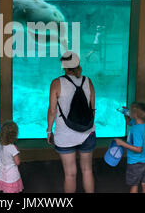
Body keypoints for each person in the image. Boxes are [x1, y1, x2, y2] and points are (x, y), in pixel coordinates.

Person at [47, 51, 96, 193]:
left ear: (63, 66)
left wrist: (49, 131)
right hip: (87, 132)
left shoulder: (56, 83)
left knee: (70, 174)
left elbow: (52, 111)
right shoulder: (88, 81)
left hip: (65, 134)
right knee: (87, 170)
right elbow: (92, 109)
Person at [115, 102, 145, 193]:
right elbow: (129, 122)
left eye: (130, 111)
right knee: (144, 183)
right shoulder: (141, 124)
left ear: (135, 115)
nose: (129, 111)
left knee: (134, 184)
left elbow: (138, 149)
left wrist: (122, 143)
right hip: (144, 160)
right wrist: (125, 114)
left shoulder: (137, 130)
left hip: (135, 162)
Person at [0, 120, 24, 193]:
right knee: (11, 188)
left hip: (2, 170)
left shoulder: (0, 144)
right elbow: (17, 162)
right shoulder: (12, 148)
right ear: (14, 135)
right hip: (11, 173)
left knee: (5, 185)